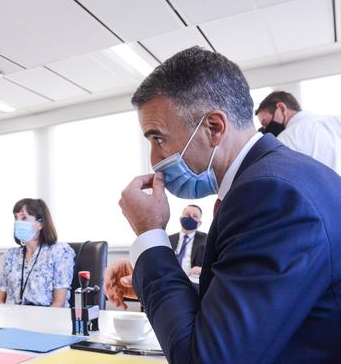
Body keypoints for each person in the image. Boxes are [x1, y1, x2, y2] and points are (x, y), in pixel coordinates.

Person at [104, 46, 341, 362]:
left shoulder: (269, 195)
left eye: (158, 138)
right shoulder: (282, 176)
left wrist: (149, 235)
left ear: (213, 127)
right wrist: (148, 279)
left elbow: (206, 357)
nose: (154, 160)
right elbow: (244, 308)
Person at [0, 199, 75, 307]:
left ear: (40, 224)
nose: (18, 223)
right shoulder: (10, 255)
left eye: (24, 218)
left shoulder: (60, 251)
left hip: (47, 318)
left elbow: (59, 303)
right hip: (13, 317)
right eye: (16, 218)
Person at [256, 90, 341, 174]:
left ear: (281, 108)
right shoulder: (336, 120)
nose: (266, 129)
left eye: (265, 123)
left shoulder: (285, 139)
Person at [168, 205, 206, 277]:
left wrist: (202, 269)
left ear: (199, 223)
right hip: (170, 279)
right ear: (180, 218)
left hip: (193, 282)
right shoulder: (168, 239)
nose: (190, 217)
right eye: (187, 214)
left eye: (195, 216)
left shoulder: (206, 240)